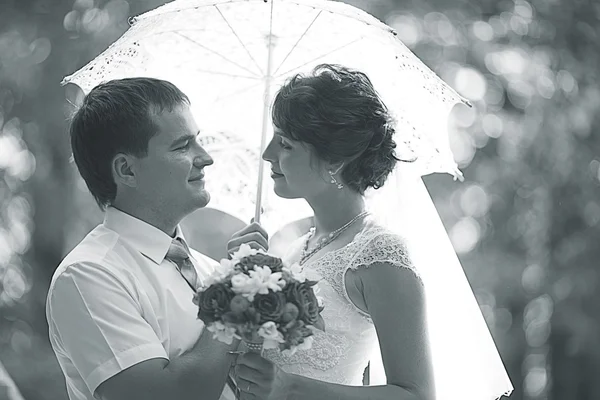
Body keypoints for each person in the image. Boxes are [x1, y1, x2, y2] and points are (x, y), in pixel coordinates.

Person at [229, 64, 513, 400]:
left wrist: (291, 387)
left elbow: (416, 394)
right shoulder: (297, 247)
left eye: (285, 145)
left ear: (334, 160)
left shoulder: (379, 256)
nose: (267, 155)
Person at [45, 77, 268, 400]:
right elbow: (166, 394)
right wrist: (236, 290)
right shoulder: (87, 275)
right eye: (183, 146)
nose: (206, 158)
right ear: (127, 171)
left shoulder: (209, 269)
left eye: (199, 141)